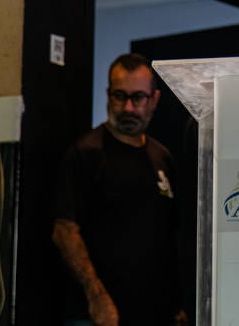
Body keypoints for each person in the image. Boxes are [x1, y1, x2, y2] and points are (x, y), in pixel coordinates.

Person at [51, 53, 187, 326]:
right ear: (108, 95)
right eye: (119, 96)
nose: (128, 107)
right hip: (99, 316)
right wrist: (96, 296)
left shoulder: (162, 158)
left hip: (156, 313)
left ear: (154, 99)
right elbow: (64, 231)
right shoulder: (86, 154)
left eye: (138, 98)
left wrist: (178, 302)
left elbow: (171, 235)